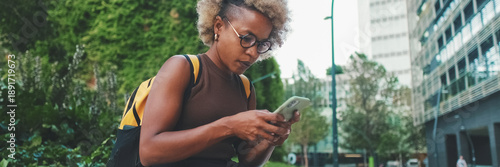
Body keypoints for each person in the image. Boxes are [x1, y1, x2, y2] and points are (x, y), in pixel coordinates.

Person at [139, 0, 295, 166]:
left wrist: (270, 140)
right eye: (247, 38)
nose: (253, 52)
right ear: (219, 27)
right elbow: (149, 152)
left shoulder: (245, 88)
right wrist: (229, 126)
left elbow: (247, 160)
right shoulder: (183, 68)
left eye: (261, 44)